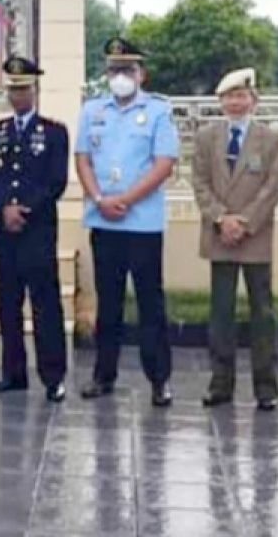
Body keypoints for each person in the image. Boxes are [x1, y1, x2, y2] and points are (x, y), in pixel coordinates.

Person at [75, 37, 179, 406]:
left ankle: (159, 379)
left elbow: (164, 163)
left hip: (142, 223)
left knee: (150, 304)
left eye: (127, 70)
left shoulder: (157, 111)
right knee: (109, 303)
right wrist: (100, 199)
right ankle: (104, 375)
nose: (119, 76)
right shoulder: (92, 110)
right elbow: (83, 158)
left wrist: (126, 199)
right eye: (114, 70)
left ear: (141, 74)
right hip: (103, 221)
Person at [191, 68, 278, 411]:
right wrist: (221, 219)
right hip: (219, 235)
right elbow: (199, 182)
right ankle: (221, 383)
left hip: (254, 235)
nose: (235, 102)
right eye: (229, 96)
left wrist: (244, 223)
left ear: (253, 101)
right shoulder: (205, 137)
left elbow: (272, 187)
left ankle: (266, 386)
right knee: (221, 312)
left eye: (241, 96)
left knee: (262, 312)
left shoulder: (271, 139)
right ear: (221, 101)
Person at [0, 57, 69, 403]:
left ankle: (53, 376)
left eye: (24, 88)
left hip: (38, 229)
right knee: (8, 303)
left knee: (45, 304)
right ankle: (13, 373)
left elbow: (56, 181)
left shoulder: (54, 132)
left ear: (35, 89)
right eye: (13, 89)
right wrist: (4, 207)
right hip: (4, 228)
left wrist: (24, 209)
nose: (18, 95)